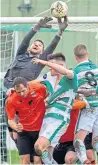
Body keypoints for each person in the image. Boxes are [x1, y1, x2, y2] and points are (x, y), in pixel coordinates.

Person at [4, 16, 68, 162]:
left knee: (25, 140)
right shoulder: (20, 55)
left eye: (40, 45)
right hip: (9, 97)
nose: (36, 44)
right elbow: (26, 40)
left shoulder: (38, 62)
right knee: (13, 134)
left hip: (26, 102)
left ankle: (37, 157)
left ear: (41, 52)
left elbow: (51, 48)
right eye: (35, 43)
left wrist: (59, 32)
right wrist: (37, 26)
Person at [32, 53, 78, 164]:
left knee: (38, 146)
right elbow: (33, 83)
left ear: (61, 65)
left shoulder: (70, 78)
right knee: (45, 154)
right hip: (47, 119)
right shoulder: (49, 77)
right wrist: (15, 87)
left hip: (59, 118)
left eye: (51, 65)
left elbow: (67, 72)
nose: (48, 67)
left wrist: (44, 62)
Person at [73, 44, 98, 164]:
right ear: (87, 54)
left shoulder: (75, 71)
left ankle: (84, 161)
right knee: (97, 141)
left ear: (75, 57)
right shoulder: (97, 69)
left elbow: (74, 91)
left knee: (78, 139)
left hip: (89, 106)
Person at [5, 77, 47, 164]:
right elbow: (10, 120)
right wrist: (16, 127)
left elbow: (48, 83)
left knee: (37, 160)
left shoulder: (39, 88)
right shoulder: (11, 100)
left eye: (23, 90)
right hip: (24, 131)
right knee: (24, 161)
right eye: (18, 92)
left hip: (40, 130)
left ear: (28, 86)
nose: (22, 93)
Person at [0, 80, 8, 164]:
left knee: (2, 140)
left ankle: (4, 160)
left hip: (1, 119)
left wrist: (2, 114)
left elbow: (4, 102)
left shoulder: (1, 90)